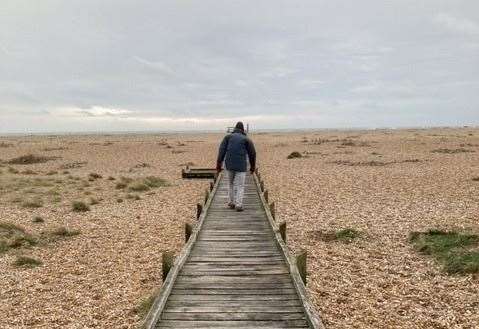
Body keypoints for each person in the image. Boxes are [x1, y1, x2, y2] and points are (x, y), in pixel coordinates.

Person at [216, 122, 256, 212]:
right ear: (243, 130)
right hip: (241, 166)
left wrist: (218, 165)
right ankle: (239, 205)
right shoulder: (246, 139)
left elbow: (221, 151)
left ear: (235, 128)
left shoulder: (228, 137)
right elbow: (252, 154)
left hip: (229, 165)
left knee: (230, 184)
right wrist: (252, 167)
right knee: (240, 185)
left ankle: (231, 202)